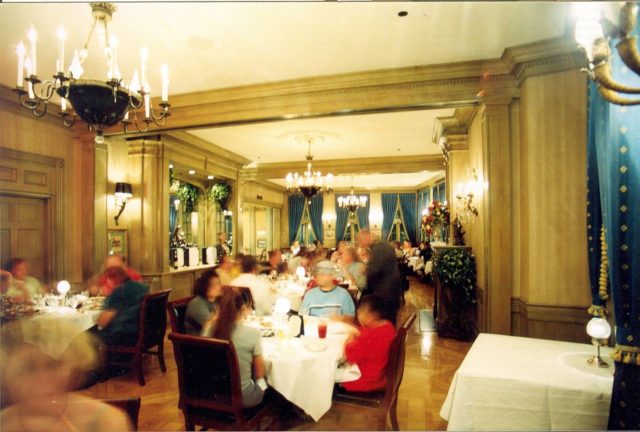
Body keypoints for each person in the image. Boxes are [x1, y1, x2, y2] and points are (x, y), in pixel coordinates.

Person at [0, 322, 131, 431]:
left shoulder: (105, 423)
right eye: (27, 368)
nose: (43, 378)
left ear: (73, 368)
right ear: (6, 375)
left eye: (53, 365)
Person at [203, 288, 267, 408]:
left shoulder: (209, 328)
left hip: (213, 393)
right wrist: (263, 385)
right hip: (242, 398)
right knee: (264, 382)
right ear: (243, 309)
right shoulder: (252, 333)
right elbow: (260, 374)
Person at [340, 295, 396, 392]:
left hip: (366, 381)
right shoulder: (388, 326)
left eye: (360, 313)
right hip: (380, 375)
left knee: (331, 373)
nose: (358, 317)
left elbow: (350, 356)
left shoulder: (370, 336)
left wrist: (349, 339)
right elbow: (364, 332)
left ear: (370, 317)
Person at [94, 267, 149, 346]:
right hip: (145, 334)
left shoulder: (119, 292)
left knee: (88, 334)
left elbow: (102, 322)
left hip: (125, 336)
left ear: (112, 279)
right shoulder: (142, 287)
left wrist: (96, 318)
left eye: (107, 280)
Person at [357, 229, 402, 323]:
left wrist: (365, 269)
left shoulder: (380, 247)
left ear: (367, 236)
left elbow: (376, 269)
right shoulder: (380, 246)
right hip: (388, 291)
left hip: (386, 293)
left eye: (360, 240)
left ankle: (390, 337)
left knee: (387, 322)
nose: (359, 243)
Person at [184, 269, 223, 335]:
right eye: (215, 284)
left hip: (212, 339)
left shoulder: (214, 301)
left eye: (218, 283)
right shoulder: (197, 304)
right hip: (197, 342)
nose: (219, 286)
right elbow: (210, 326)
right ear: (205, 287)